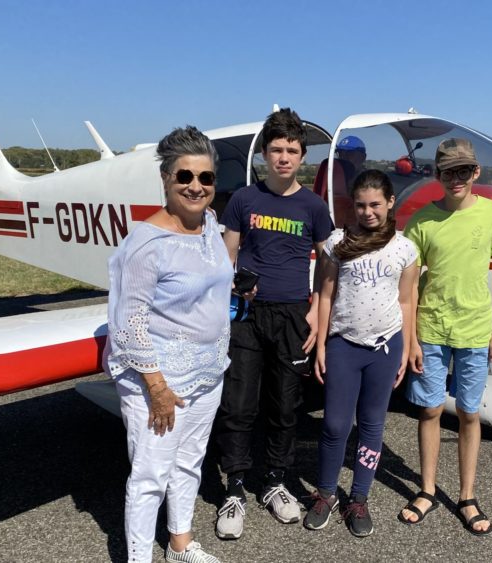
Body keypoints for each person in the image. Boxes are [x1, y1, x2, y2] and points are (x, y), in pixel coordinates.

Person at [104, 126, 229, 563]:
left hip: (207, 372)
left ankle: (180, 544)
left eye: (206, 178)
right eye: (185, 177)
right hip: (159, 380)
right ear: (166, 180)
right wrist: (156, 387)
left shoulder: (210, 225)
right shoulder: (145, 244)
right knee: (150, 475)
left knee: (189, 462)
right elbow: (128, 323)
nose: (196, 186)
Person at [215, 108, 335, 540]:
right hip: (247, 315)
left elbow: (328, 263)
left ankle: (275, 482)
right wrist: (232, 288)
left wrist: (318, 311)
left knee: (286, 408)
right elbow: (226, 258)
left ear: (303, 156)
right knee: (239, 406)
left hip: (292, 315)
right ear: (264, 154)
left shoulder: (314, 206)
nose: (283, 157)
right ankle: (235, 487)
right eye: (276, 150)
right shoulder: (244, 200)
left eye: (292, 150)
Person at [398, 137, 492, 536]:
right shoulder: (421, 220)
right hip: (431, 327)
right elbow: (409, 286)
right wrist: (410, 340)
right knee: (429, 410)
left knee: (469, 413)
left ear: (475, 172)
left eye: (464, 170)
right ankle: (427, 490)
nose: (456, 178)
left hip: (476, 329)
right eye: (449, 172)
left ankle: (466, 495)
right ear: (437, 175)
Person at [304, 170, 419, 537]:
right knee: (335, 425)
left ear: (389, 203)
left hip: (384, 348)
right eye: (360, 205)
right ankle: (325, 493)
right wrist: (321, 344)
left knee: (372, 426)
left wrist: (407, 346)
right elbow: (324, 294)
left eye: (375, 204)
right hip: (343, 344)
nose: (368, 212)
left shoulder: (404, 248)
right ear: (351, 206)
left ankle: (359, 497)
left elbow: (406, 301)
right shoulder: (337, 242)